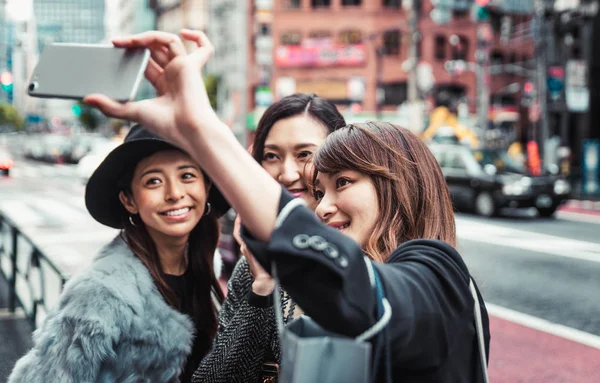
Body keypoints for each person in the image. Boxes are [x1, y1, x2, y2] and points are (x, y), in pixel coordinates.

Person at [84, 29, 491, 382]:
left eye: (342, 183)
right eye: (271, 157)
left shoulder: (436, 272)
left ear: (398, 183)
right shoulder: (270, 265)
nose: (321, 203)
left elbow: (350, 290)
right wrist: (262, 289)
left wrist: (199, 128)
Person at [8, 124, 229, 383]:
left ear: (206, 186)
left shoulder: (205, 264)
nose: (175, 193)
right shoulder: (102, 292)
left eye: (187, 176)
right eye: (154, 181)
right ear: (129, 201)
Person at [193, 93, 346, 382]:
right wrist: (262, 287)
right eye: (272, 156)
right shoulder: (252, 266)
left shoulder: (366, 254)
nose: (287, 174)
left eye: (305, 154)